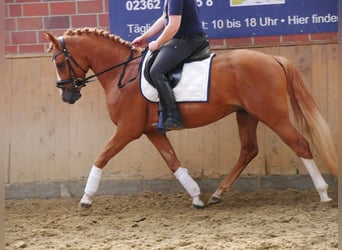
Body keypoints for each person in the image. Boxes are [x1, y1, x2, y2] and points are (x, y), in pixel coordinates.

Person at [132, 0, 207, 130]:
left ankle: (173, 116)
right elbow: (164, 18)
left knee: (156, 71)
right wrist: (145, 37)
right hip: (181, 39)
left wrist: (158, 43)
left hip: (188, 40)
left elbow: (173, 26)